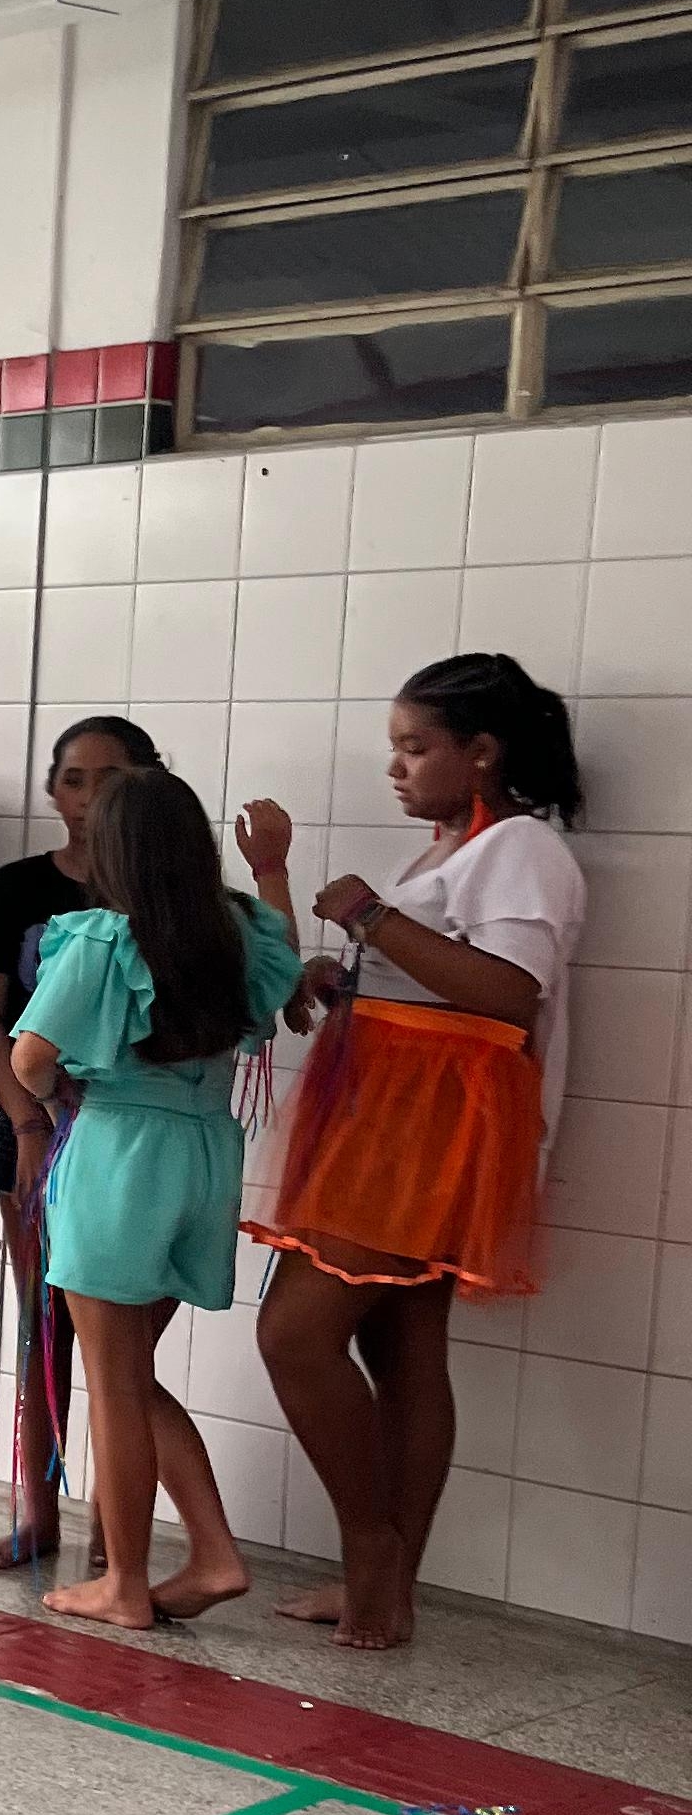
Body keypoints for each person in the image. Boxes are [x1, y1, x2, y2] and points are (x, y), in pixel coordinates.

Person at [248, 651, 587, 1654]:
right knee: (399, 1347)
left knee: (295, 1335)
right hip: (388, 1108)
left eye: (414, 748)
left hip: (423, 1123)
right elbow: (439, 980)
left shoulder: (522, 847)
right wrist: (346, 973)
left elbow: (509, 993)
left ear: (480, 752)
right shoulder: (454, 848)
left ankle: (374, 1556)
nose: (395, 768)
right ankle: (385, 1584)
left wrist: (370, 917)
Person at [7, 769, 302, 1631]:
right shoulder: (237, 931)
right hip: (206, 1153)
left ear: (113, 853)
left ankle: (126, 1584)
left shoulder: (104, 937)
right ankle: (213, 1554)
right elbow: (283, 967)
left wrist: (58, 1098)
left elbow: (30, 1055)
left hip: (119, 1152)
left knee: (113, 1383)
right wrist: (273, 870)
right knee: (131, 1372)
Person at [0, 719, 163, 1572]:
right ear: (52, 790)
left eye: (111, 779)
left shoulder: (169, 896)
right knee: (42, 1326)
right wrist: (28, 1121)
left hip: (133, 1138)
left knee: (124, 1345)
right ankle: (37, 1514)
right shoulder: (18, 887)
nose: (89, 799)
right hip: (37, 1128)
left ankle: (116, 1534)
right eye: (75, 779)